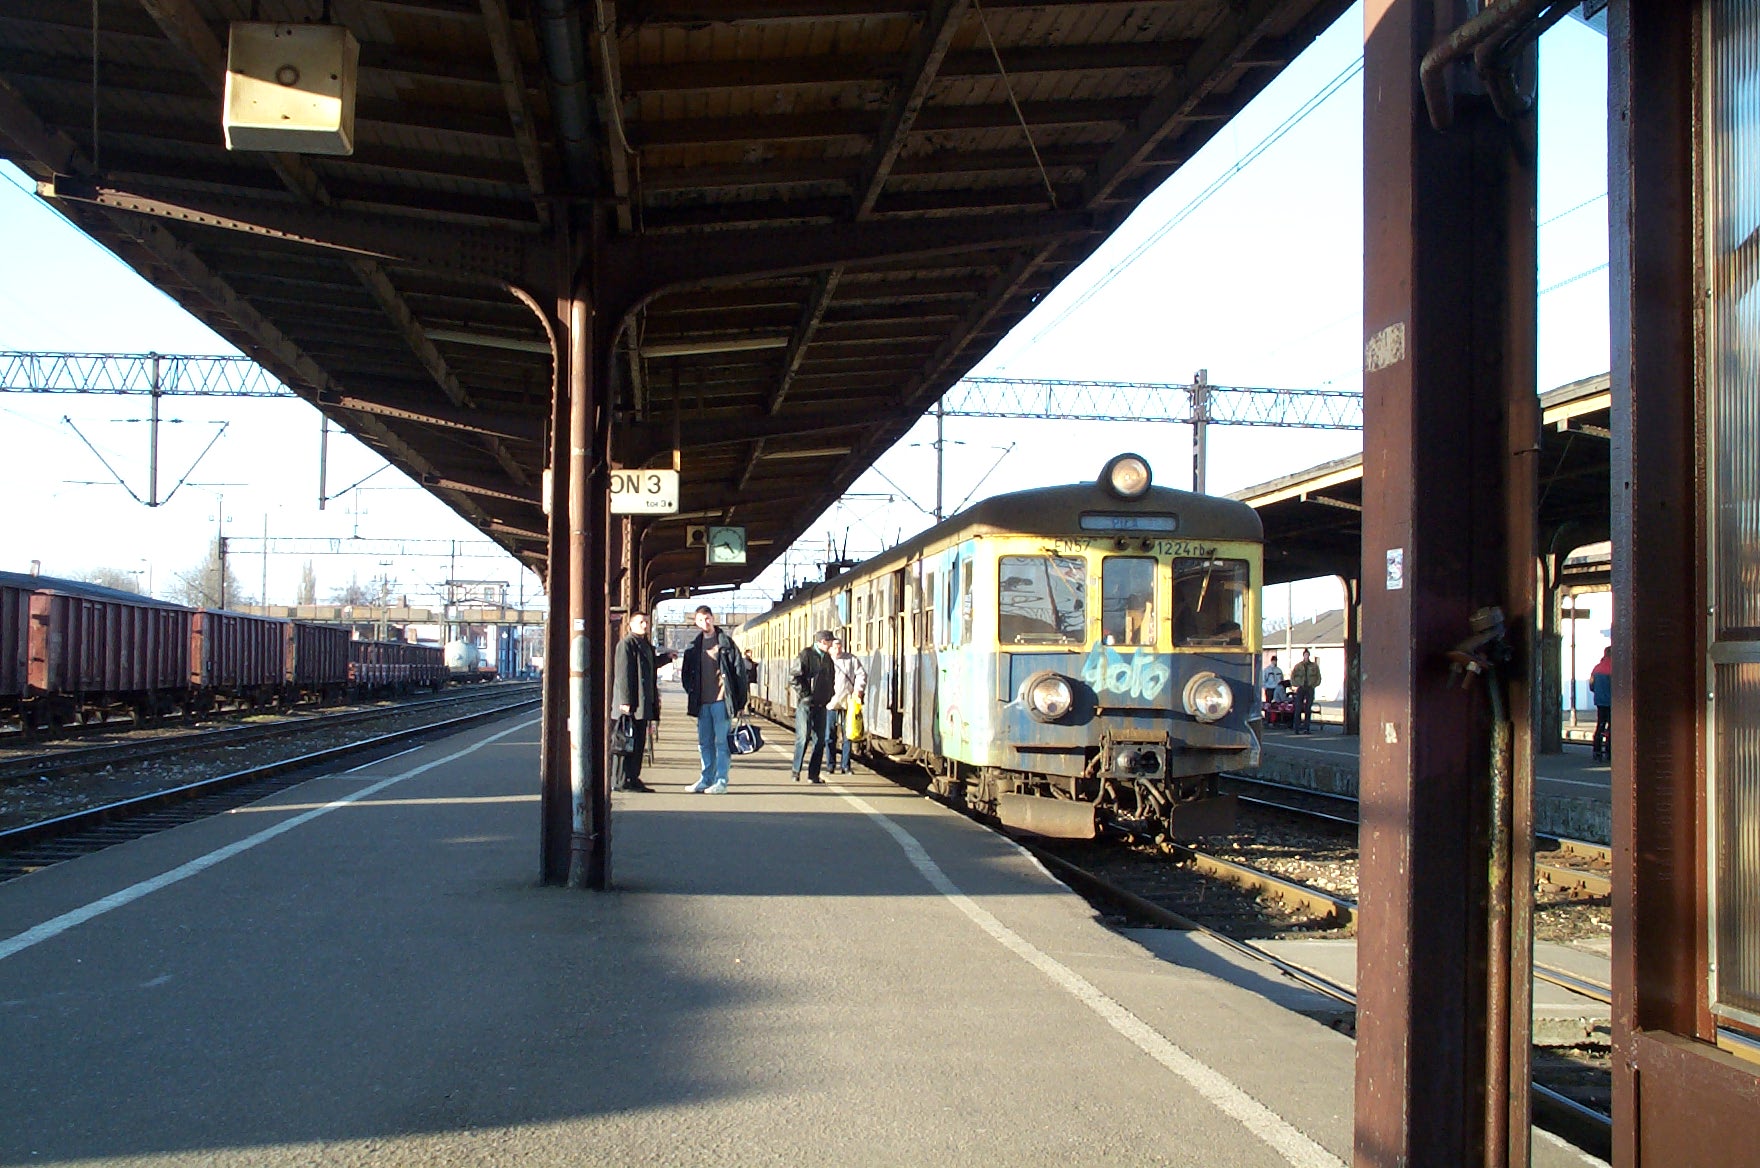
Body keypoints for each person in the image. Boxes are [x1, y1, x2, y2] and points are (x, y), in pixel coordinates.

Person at [680, 605, 749, 794]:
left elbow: (739, 673)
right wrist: (692, 691)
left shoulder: (726, 644)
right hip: (702, 702)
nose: (705, 623)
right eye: (701, 620)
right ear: (696, 622)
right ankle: (706, 779)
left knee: (722, 742)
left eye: (707, 618)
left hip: (721, 701)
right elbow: (686, 674)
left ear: (713, 618)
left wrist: (740, 702)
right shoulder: (693, 647)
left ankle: (721, 781)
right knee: (704, 743)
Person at [609, 611, 674, 792]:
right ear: (630, 625)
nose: (645, 625)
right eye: (641, 622)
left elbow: (650, 665)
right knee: (624, 742)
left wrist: (666, 658)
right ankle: (620, 780)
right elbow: (623, 674)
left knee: (638, 743)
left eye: (646, 622)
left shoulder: (645, 645)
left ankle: (633, 778)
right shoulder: (626, 644)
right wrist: (625, 700)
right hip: (631, 704)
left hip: (643, 703)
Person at [790, 629, 837, 784]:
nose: (832, 645)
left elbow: (831, 678)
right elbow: (793, 677)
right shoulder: (806, 655)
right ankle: (796, 771)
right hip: (806, 704)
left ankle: (813, 775)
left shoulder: (827, 659)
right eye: (830, 642)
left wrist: (829, 695)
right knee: (803, 737)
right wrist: (805, 694)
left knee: (820, 741)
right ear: (823, 642)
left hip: (821, 704)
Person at [826, 637, 868, 775]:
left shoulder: (851, 659)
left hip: (848, 702)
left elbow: (861, 674)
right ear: (830, 648)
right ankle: (830, 765)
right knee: (829, 735)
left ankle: (845, 765)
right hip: (830, 703)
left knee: (848, 734)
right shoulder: (826, 660)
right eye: (835, 647)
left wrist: (858, 690)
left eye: (839, 646)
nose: (838, 649)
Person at [1290, 648, 1321, 735]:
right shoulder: (1298, 666)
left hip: (1310, 688)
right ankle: (1297, 728)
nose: (1306, 656)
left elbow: (1318, 677)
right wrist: (1296, 684)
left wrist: (1314, 685)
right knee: (1298, 708)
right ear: (1303, 655)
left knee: (1308, 709)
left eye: (1307, 655)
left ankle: (1307, 728)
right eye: (1305, 655)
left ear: (1309, 655)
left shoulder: (1314, 666)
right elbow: (1293, 676)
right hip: (1301, 688)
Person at [1590, 645, 1613, 762]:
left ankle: (1597, 751)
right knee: (1612, 728)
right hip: (1612, 703)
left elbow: (1591, 686)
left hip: (1599, 702)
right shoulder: (1613, 668)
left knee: (1600, 725)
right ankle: (1609, 751)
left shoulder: (1596, 668)